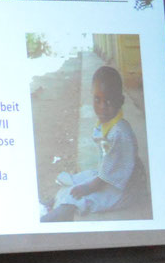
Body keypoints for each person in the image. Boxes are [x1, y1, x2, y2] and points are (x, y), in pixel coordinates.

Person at [42, 63, 136, 222]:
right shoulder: (108, 123)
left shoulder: (119, 132)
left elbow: (107, 176)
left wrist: (90, 187)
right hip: (110, 173)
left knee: (86, 196)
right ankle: (57, 202)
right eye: (97, 100)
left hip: (123, 187)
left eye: (109, 101)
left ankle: (63, 210)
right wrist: (91, 182)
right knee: (81, 178)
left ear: (121, 101)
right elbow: (107, 165)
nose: (102, 107)